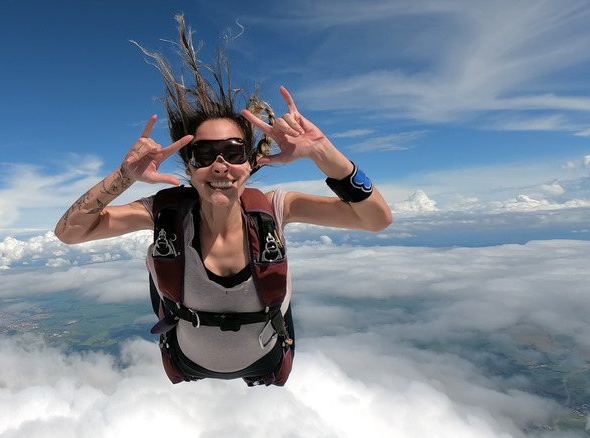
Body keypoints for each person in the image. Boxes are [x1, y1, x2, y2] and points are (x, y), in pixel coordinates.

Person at [55, 15, 392, 386]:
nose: (220, 165)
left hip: (266, 360)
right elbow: (70, 233)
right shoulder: (163, 213)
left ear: (249, 164)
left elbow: (376, 219)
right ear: (188, 167)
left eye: (233, 151)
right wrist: (124, 178)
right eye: (204, 154)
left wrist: (324, 154)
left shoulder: (277, 207)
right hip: (187, 361)